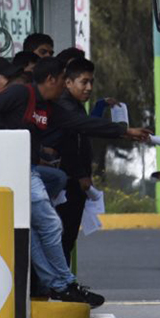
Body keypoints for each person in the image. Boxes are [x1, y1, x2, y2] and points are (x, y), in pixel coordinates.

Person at [0, 57, 150, 305]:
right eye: (62, 82)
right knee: (51, 224)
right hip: (5, 167)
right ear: (51, 80)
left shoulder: (51, 109)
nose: (65, 88)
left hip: (24, 169)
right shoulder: (20, 94)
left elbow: (83, 123)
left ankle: (57, 285)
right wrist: (12, 138)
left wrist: (125, 131)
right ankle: (65, 283)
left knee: (36, 229)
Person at [53, 57, 102, 264]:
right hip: (70, 182)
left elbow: (89, 126)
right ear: (68, 82)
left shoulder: (75, 105)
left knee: (68, 235)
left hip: (74, 180)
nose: (89, 87)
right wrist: (81, 174)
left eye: (91, 82)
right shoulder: (66, 106)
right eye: (84, 82)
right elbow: (69, 146)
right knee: (65, 234)